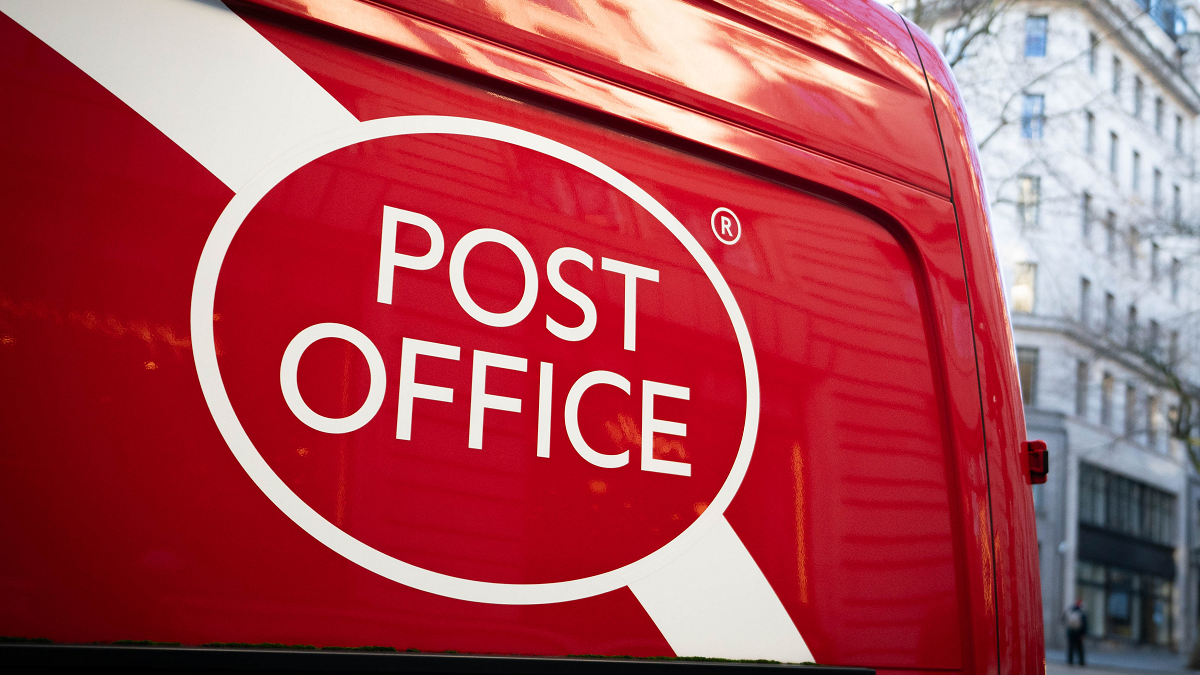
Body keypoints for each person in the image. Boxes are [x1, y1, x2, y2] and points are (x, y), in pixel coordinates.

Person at [1064, 600, 1087, 666]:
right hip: (1079, 633)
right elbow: (1085, 624)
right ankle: (1081, 662)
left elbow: (1064, 619)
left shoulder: (1070, 610)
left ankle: (1070, 661)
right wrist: (1083, 634)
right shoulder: (1082, 612)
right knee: (1080, 648)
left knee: (1071, 648)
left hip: (1071, 632)